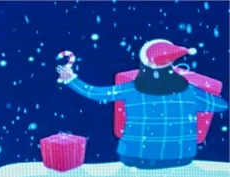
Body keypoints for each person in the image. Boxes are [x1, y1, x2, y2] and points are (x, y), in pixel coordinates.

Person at [57, 38, 228, 169]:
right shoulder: (191, 92)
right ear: (171, 65)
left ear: (144, 64)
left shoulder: (131, 89)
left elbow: (94, 93)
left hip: (135, 157)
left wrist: (71, 79)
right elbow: (221, 106)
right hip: (181, 157)